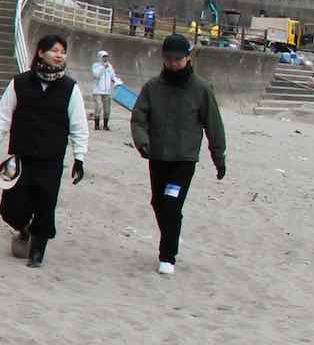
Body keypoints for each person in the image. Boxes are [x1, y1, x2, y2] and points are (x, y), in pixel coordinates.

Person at [0, 33, 88, 269]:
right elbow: (2, 114)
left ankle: (37, 251)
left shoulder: (70, 89)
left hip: (51, 159)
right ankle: (24, 230)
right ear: (40, 53)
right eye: (55, 50)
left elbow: (79, 126)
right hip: (20, 156)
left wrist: (79, 158)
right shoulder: (19, 83)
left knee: (45, 205)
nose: (60, 55)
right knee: (11, 208)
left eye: (63, 51)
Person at [130, 33, 226, 276]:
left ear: (188, 58)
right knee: (158, 203)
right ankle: (171, 236)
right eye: (169, 59)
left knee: (172, 204)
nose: (173, 64)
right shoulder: (152, 87)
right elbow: (139, 118)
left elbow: (214, 125)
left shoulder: (201, 89)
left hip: (184, 159)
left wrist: (219, 157)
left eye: (178, 59)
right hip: (158, 156)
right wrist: (142, 142)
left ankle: (167, 256)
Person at [88, 49, 123, 131]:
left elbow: (113, 76)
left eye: (106, 57)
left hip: (107, 91)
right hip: (97, 91)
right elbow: (96, 75)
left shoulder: (110, 66)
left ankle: (105, 125)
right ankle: (96, 125)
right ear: (100, 57)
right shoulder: (96, 65)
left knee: (107, 109)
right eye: (104, 57)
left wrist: (118, 82)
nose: (105, 59)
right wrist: (103, 67)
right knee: (98, 107)